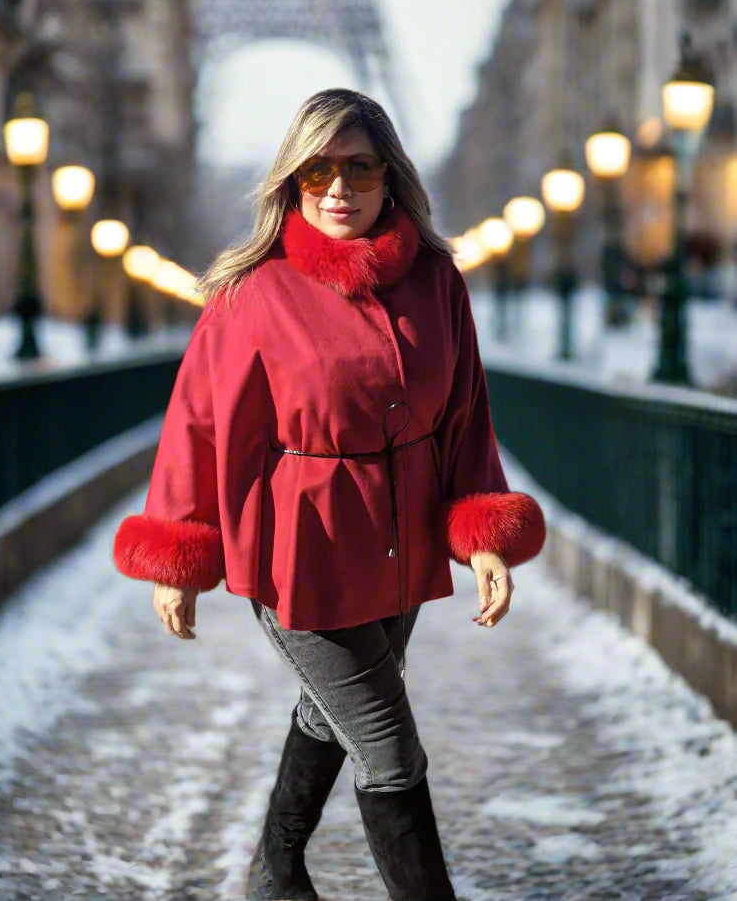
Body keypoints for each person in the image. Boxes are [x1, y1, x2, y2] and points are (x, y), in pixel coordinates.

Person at [113, 88, 546, 901]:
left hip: (401, 536)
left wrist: (483, 535)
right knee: (389, 749)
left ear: (390, 177)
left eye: (359, 167)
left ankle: (274, 874)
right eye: (316, 170)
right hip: (299, 546)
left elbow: (465, 414)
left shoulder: (437, 281)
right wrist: (178, 552)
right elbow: (199, 425)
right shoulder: (252, 290)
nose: (337, 187)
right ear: (292, 180)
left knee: (330, 710)